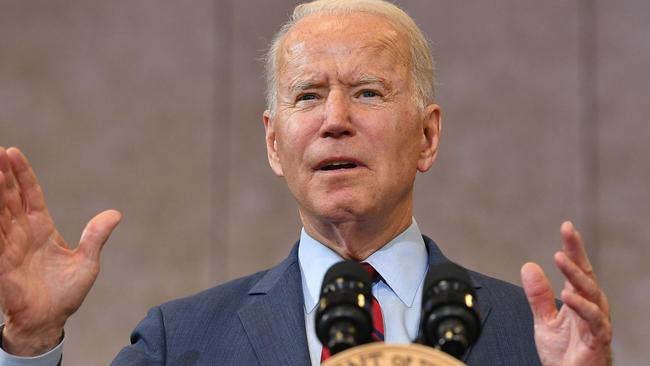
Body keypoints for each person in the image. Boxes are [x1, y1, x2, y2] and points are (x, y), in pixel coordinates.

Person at [0, 0, 612, 365]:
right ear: (273, 142)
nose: (335, 120)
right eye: (308, 96)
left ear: (426, 137)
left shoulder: (532, 337)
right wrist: (28, 346)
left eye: (368, 92)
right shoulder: (181, 344)